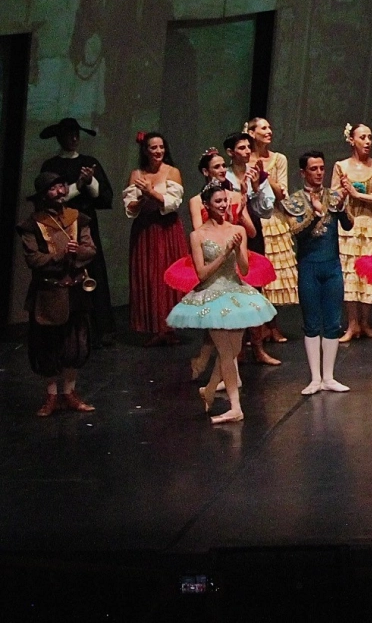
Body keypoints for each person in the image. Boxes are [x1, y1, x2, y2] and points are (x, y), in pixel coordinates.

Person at [168, 181, 278, 425]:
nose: (223, 205)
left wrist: (237, 250)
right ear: (206, 205)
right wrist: (224, 253)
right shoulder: (198, 235)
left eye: (225, 200)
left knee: (233, 350)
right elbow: (202, 274)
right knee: (226, 353)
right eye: (217, 201)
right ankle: (235, 408)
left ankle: (209, 391)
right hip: (212, 295)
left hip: (236, 292)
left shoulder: (237, 229)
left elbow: (245, 269)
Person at [19, 172, 97, 416]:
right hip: (48, 292)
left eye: (62, 186)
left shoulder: (78, 218)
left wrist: (78, 251)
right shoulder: (32, 224)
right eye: (53, 188)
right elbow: (33, 258)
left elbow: (91, 249)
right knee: (47, 346)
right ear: (43, 195)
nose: (60, 191)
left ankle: (70, 393)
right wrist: (60, 255)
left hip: (75, 290)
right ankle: (52, 396)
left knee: (76, 345)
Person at [37, 117, 115, 345]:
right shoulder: (51, 165)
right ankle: (61, 327)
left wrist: (89, 182)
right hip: (59, 225)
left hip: (85, 224)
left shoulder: (89, 162)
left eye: (76, 134)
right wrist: (78, 186)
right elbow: (49, 196)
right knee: (63, 270)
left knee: (92, 270)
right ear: (59, 138)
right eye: (68, 135)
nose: (73, 139)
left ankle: (95, 330)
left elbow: (104, 197)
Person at [283, 151, 352, 396]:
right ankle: (315, 378)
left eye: (322, 168)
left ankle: (329, 377)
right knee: (311, 322)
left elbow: (348, 225)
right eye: (314, 168)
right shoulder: (294, 200)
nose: (319, 172)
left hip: (332, 266)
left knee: (333, 322)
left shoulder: (333, 196)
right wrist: (314, 214)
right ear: (303, 172)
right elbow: (297, 232)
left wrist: (342, 205)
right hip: (309, 267)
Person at [123, 131, 188, 345]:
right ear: (145, 150)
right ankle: (153, 326)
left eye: (161, 147)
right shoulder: (137, 174)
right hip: (145, 229)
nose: (158, 151)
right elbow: (130, 208)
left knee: (166, 275)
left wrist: (151, 193)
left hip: (167, 229)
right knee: (148, 276)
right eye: (153, 147)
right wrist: (142, 198)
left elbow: (172, 203)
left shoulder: (172, 172)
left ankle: (169, 327)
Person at [224, 131, 280, 365]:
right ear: (230, 152)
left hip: (253, 232)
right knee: (232, 290)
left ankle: (258, 346)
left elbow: (266, 209)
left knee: (254, 289)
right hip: (229, 233)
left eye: (248, 147)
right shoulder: (223, 176)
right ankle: (236, 349)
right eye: (242, 148)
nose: (247, 151)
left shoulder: (257, 173)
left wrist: (256, 187)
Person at [333, 123, 372, 342]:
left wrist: (357, 194)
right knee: (350, 274)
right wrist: (343, 193)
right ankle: (352, 324)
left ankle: (366, 322)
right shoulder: (341, 166)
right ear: (351, 140)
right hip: (349, 225)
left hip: (370, 224)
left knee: (368, 274)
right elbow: (333, 197)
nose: (367, 142)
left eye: (370, 137)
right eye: (362, 137)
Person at [244, 117, 296, 342]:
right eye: (263, 128)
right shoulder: (243, 160)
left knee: (274, 274)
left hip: (273, 218)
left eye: (270, 127)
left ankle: (272, 325)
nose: (269, 131)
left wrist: (264, 175)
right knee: (256, 273)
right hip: (252, 219)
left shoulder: (279, 159)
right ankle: (257, 326)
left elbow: (282, 193)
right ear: (252, 133)